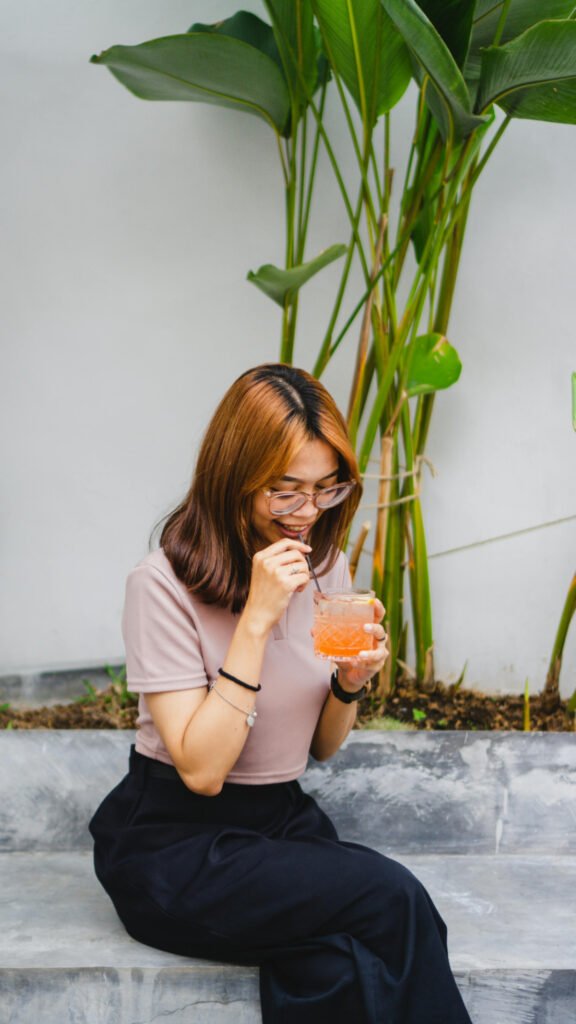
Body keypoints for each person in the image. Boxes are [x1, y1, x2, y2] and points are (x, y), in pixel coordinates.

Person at [90, 363, 473, 1024]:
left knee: (333, 965)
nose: (306, 513)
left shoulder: (327, 564)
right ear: (232, 478)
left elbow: (321, 748)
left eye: (326, 489)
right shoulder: (158, 585)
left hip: (281, 827)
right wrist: (257, 619)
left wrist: (348, 685)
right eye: (284, 490)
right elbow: (203, 772)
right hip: (175, 845)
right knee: (393, 900)